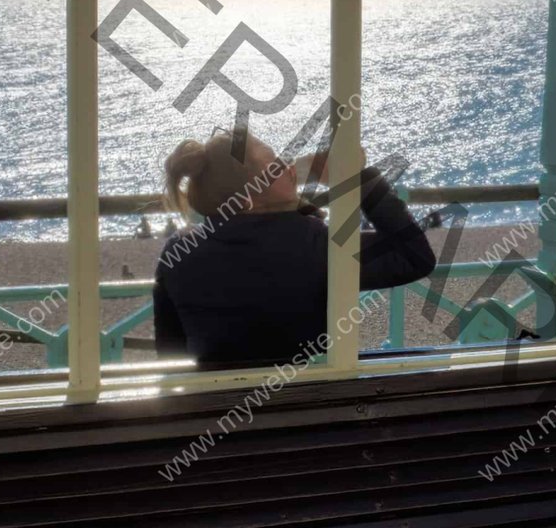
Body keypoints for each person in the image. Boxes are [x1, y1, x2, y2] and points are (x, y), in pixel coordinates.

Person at [153, 127, 435, 369]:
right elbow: (414, 256)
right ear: (248, 199)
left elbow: (170, 352)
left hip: (209, 408)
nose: (287, 165)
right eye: (275, 165)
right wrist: (357, 177)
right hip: (311, 408)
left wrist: (295, 175)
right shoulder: (314, 244)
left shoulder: (179, 252)